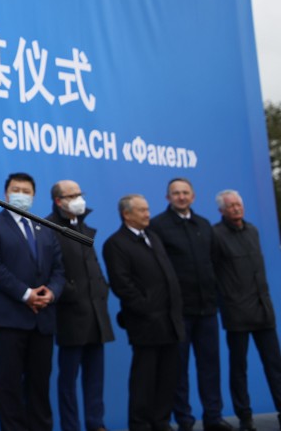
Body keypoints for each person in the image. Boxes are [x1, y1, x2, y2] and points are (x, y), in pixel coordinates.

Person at [0, 172, 65, 431]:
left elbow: (59, 269)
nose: (21, 195)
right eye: (16, 190)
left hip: (43, 319)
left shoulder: (45, 227)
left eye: (26, 191)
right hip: (8, 318)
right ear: (6, 193)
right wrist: (26, 294)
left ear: (34, 196)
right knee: (10, 386)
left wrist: (51, 293)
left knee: (40, 385)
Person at [148, 178, 233, 431]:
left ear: (193, 196)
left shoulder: (204, 225)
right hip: (178, 313)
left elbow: (214, 262)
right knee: (178, 370)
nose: (181, 197)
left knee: (210, 367)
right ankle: (184, 420)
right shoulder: (158, 226)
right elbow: (156, 268)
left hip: (207, 309)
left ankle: (213, 417)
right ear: (168, 198)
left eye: (185, 192)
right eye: (176, 193)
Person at [103, 194, 184, 431]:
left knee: (168, 376)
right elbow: (122, 285)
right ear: (126, 214)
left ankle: (161, 422)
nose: (147, 214)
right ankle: (140, 424)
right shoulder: (116, 243)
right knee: (144, 378)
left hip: (170, 320)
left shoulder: (153, 237)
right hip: (145, 323)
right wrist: (147, 308)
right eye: (141, 210)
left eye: (147, 209)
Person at [46, 180, 115, 431]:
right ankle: (71, 426)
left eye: (80, 194)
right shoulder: (49, 227)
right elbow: (51, 271)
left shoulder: (84, 227)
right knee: (68, 379)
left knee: (95, 377)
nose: (79, 199)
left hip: (96, 312)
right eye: (72, 195)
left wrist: (102, 288)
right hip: (70, 314)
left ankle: (96, 424)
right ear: (58, 201)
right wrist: (71, 292)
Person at [211, 189, 281, 431]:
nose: (236, 208)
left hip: (263, 310)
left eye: (238, 204)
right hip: (237, 312)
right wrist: (228, 300)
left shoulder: (252, 230)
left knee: (275, 365)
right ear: (221, 210)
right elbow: (214, 274)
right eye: (231, 206)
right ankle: (245, 417)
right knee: (239, 368)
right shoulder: (215, 235)